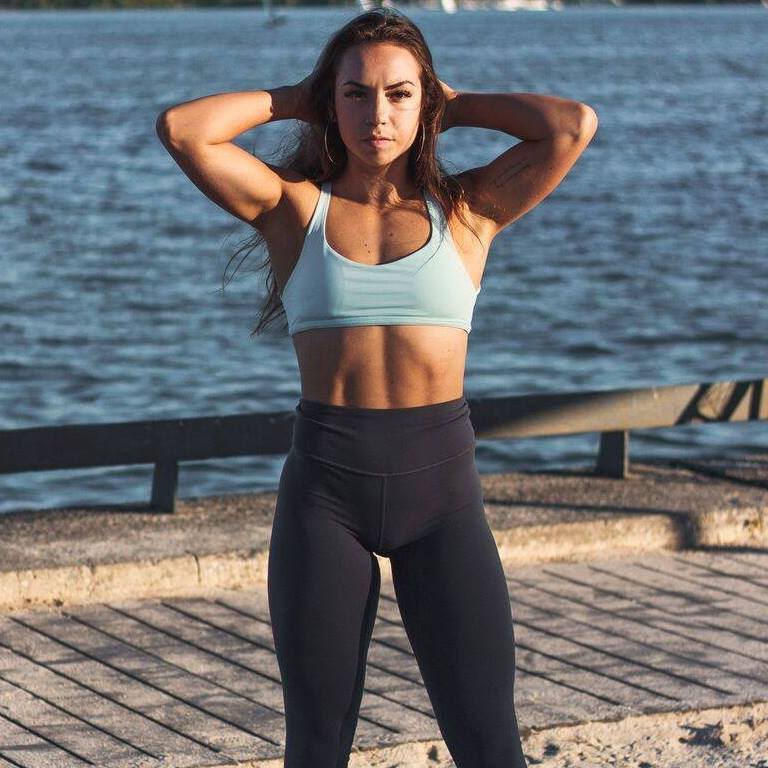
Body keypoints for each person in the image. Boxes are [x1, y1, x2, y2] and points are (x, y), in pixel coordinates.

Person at [156, 8, 597, 767]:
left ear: (425, 102)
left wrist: (459, 105)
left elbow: (571, 126)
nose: (377, 114)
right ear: (334, 102)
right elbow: (183, 129)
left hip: (444, 501)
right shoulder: (296, 211)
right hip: (326, 500)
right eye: (356, 94)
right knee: (318, 744)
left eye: (399, 94)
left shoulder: (468, 212)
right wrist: (298, 95)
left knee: (490, 742)